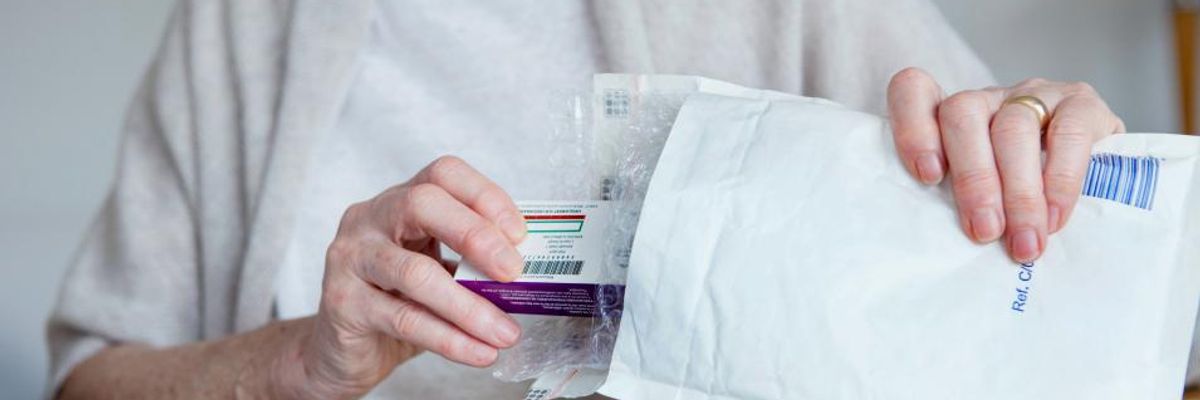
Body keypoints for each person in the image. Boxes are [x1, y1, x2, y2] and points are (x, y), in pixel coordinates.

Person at [47, 0, 1153, 399]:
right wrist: (295, 366)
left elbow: (1024, 261)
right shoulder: (243, 29)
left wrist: (1064, 170)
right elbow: (89, 376)